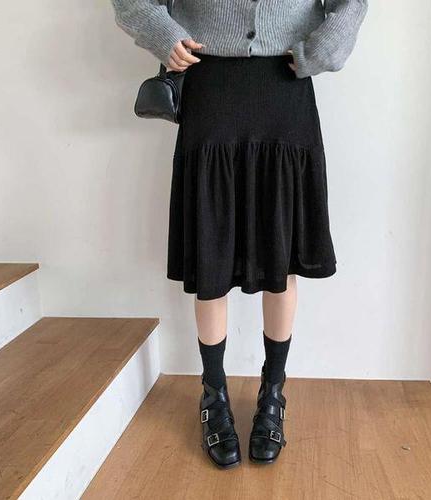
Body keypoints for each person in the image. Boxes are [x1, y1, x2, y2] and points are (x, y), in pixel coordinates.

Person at [110, 0, 368, 469]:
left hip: (287, 83)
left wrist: (325, 47)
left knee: (280, 255)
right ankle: (213, 394)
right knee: (212, 251)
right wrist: (162, 33)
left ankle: (273, 393)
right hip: (210, 85)